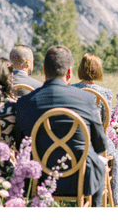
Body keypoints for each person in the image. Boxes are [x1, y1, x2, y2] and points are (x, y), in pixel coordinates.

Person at [13, 45, 108, 202]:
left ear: (44, 70)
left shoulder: (24, 102)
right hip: (80, 179)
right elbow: (100, 145)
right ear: (69, 72)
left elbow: (19, 144)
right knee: (98, 166)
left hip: (38, 180)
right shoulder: (86, 99)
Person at [73, 53, 118, 205]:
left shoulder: (70, 89)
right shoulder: (105, 92)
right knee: (114, 154)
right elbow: (105, 121)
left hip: (74, 138)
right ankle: (115, 198)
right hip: (97, 140)